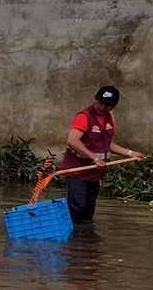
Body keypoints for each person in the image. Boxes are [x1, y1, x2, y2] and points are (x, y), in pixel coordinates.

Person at [61, 85, 146, 223]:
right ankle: (73, 241)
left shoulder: (110, 118)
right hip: (78, 171)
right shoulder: (84, 116)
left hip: (95, 173)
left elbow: (107, 144)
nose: (101, 107)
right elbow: (72, 141)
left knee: (88, 212)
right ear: (95, 99)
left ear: (112, 107)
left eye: (107, 105)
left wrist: (130, 153)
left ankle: (85, 241)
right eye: (100, 102)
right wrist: (94, 158)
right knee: (78, 210)